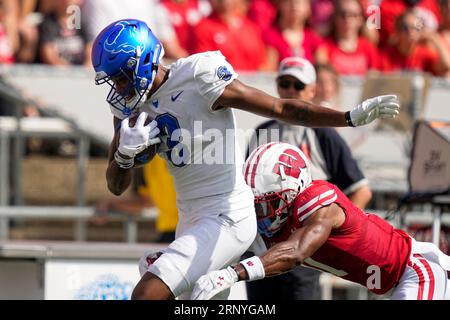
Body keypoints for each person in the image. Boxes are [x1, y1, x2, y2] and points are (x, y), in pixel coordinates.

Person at [91, 19, 400, 300]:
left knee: (146, 294)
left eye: (121, 77)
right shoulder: (128, 108)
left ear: (144, 61)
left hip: (227, 215)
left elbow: (281, 109)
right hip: (190, 219)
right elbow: (116, 185)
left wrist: (347, 117)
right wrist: (123, 156)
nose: (118, 88)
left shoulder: (198, 76)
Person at [192, 142, 450, 300]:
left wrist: (232, 273)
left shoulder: (318, 200)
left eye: (269, 204)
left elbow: (294, 253)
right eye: (256, 205)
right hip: (394, 282)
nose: (263, 213)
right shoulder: (280, 223)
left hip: (416, 270)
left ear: (294, 190)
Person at [246, 57, 372, 300]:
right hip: (262, 248)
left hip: (304, 253)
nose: (291, 90)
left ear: (313, 90)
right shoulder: (261, 131)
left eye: (299, 85)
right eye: (285, 83)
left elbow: (361, 189)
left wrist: (330, 231)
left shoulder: (323, 134)